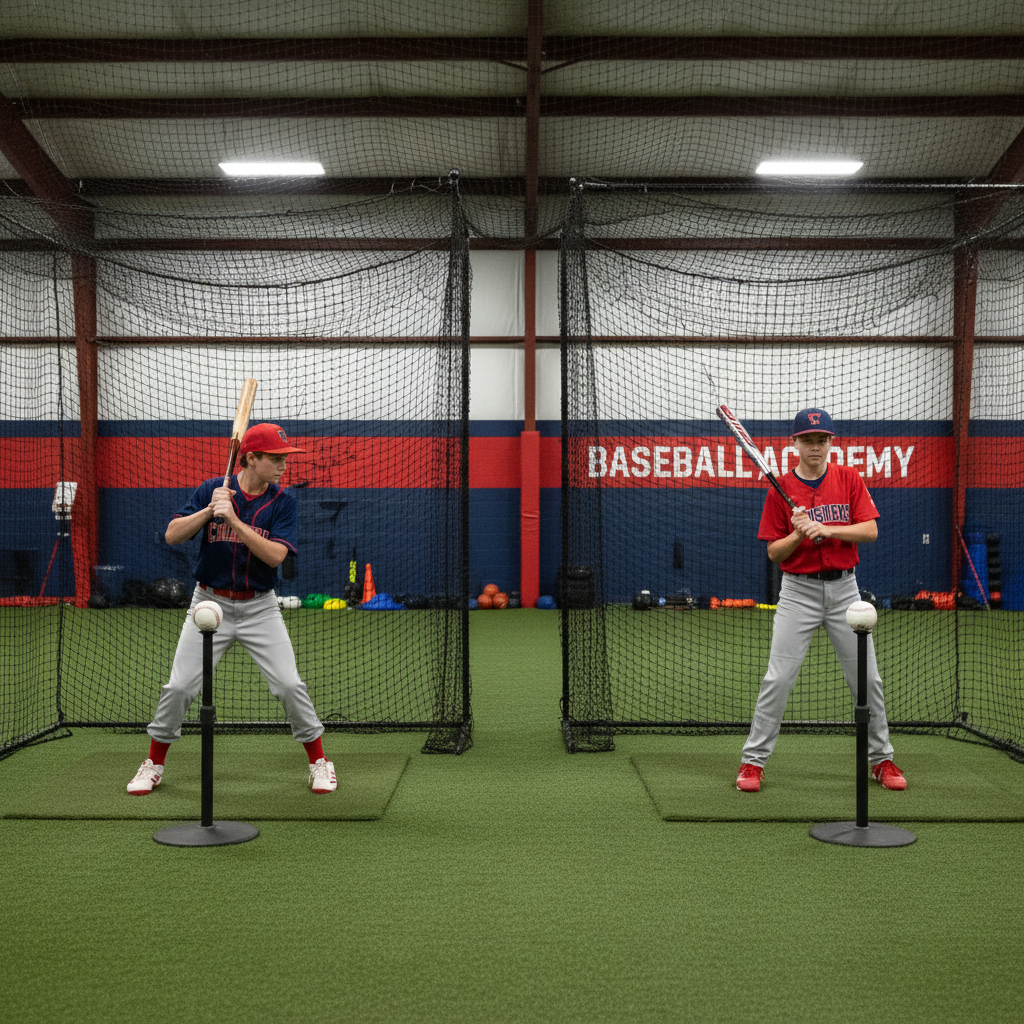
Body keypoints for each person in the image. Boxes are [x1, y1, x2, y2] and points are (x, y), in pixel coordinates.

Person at [127, 423, 336, 795]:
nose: (283, 465)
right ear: (251, 458)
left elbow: (275, 557)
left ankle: (319, 762)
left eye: (284, 458)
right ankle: (153, 763)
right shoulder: (213, 489)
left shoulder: (283, 502)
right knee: (178, 687)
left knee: (289, 685)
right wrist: (210, 510)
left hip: (260, 607)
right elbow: (173, 534)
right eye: (275, 458)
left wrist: (234, 521)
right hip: (208, 602)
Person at [735, 408, 907, 793]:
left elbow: (870, 530)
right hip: (798, 593)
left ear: (831, 443)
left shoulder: (848, 478)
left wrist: (823, 527)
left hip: (847, 592)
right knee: (777, 678)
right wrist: (798, 534)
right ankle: (752, 763)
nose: (816, 446)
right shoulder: (780, 488)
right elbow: (775, 554)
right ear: (794, 444)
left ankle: (882, 760)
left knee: (868, 680)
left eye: (822, 440)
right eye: (808, 440)